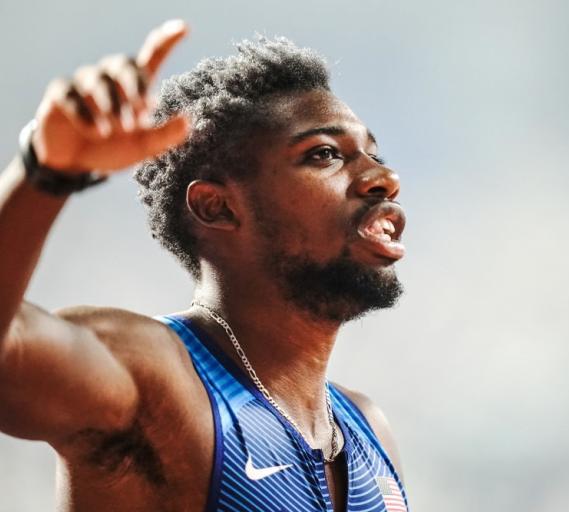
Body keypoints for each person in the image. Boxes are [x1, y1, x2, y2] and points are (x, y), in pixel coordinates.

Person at [0, 19, 409, 512]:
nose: (383, 177)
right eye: (324, 154)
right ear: (217, 207)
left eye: (373, 153)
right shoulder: (153, 377)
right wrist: (45, 170)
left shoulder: (367, 430)